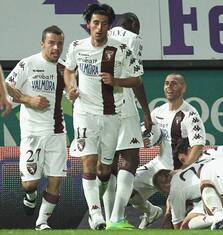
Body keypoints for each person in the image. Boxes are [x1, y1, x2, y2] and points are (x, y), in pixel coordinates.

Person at [64, 3, 143, 230]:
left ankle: (96, 206)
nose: (99, 28)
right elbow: (68, 70)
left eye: (104, 24)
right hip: (84, 112)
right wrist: (71, 86)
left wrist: (116, 81)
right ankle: (96, 214)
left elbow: (137, 78)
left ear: (109, 26)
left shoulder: (120, 49)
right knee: (88, 162)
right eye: (95, 23)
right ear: (88, 25)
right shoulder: (77, 47)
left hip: (111, 114)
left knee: (104, 170)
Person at [5, 25, 67, 230]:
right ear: (42, 44)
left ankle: (42, 222)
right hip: (32, 132)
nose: (56, 48)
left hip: (57, 133)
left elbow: (76, 93)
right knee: (30, 183)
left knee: (55, 181)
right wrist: (28, 99)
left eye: (59, 44)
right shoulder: (28, 64)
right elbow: (6, 86)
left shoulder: (64, 69)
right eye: (51, 43)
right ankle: (30, 195)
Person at [129, 73, 206, 229]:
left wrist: (182, 171)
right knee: (125, 187)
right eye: (166, 83)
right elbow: (148, 132)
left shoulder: (190, 114)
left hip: (180, 171)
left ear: (184, 88)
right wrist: (144, 139)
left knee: (170, 224)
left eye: (174, 83)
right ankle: (151, 212)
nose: (169, 87)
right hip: (159, 165)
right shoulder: (158, 111)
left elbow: (198, 146)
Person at [101, 12, 152, 229]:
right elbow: (136, 78)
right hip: (122, 104)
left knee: (109, 165)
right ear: (133, 25)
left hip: (96, 108)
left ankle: (104, 219)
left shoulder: (97, 37)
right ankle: (117, 217)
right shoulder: (132, 38)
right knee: (129, 157)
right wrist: (147, 111)